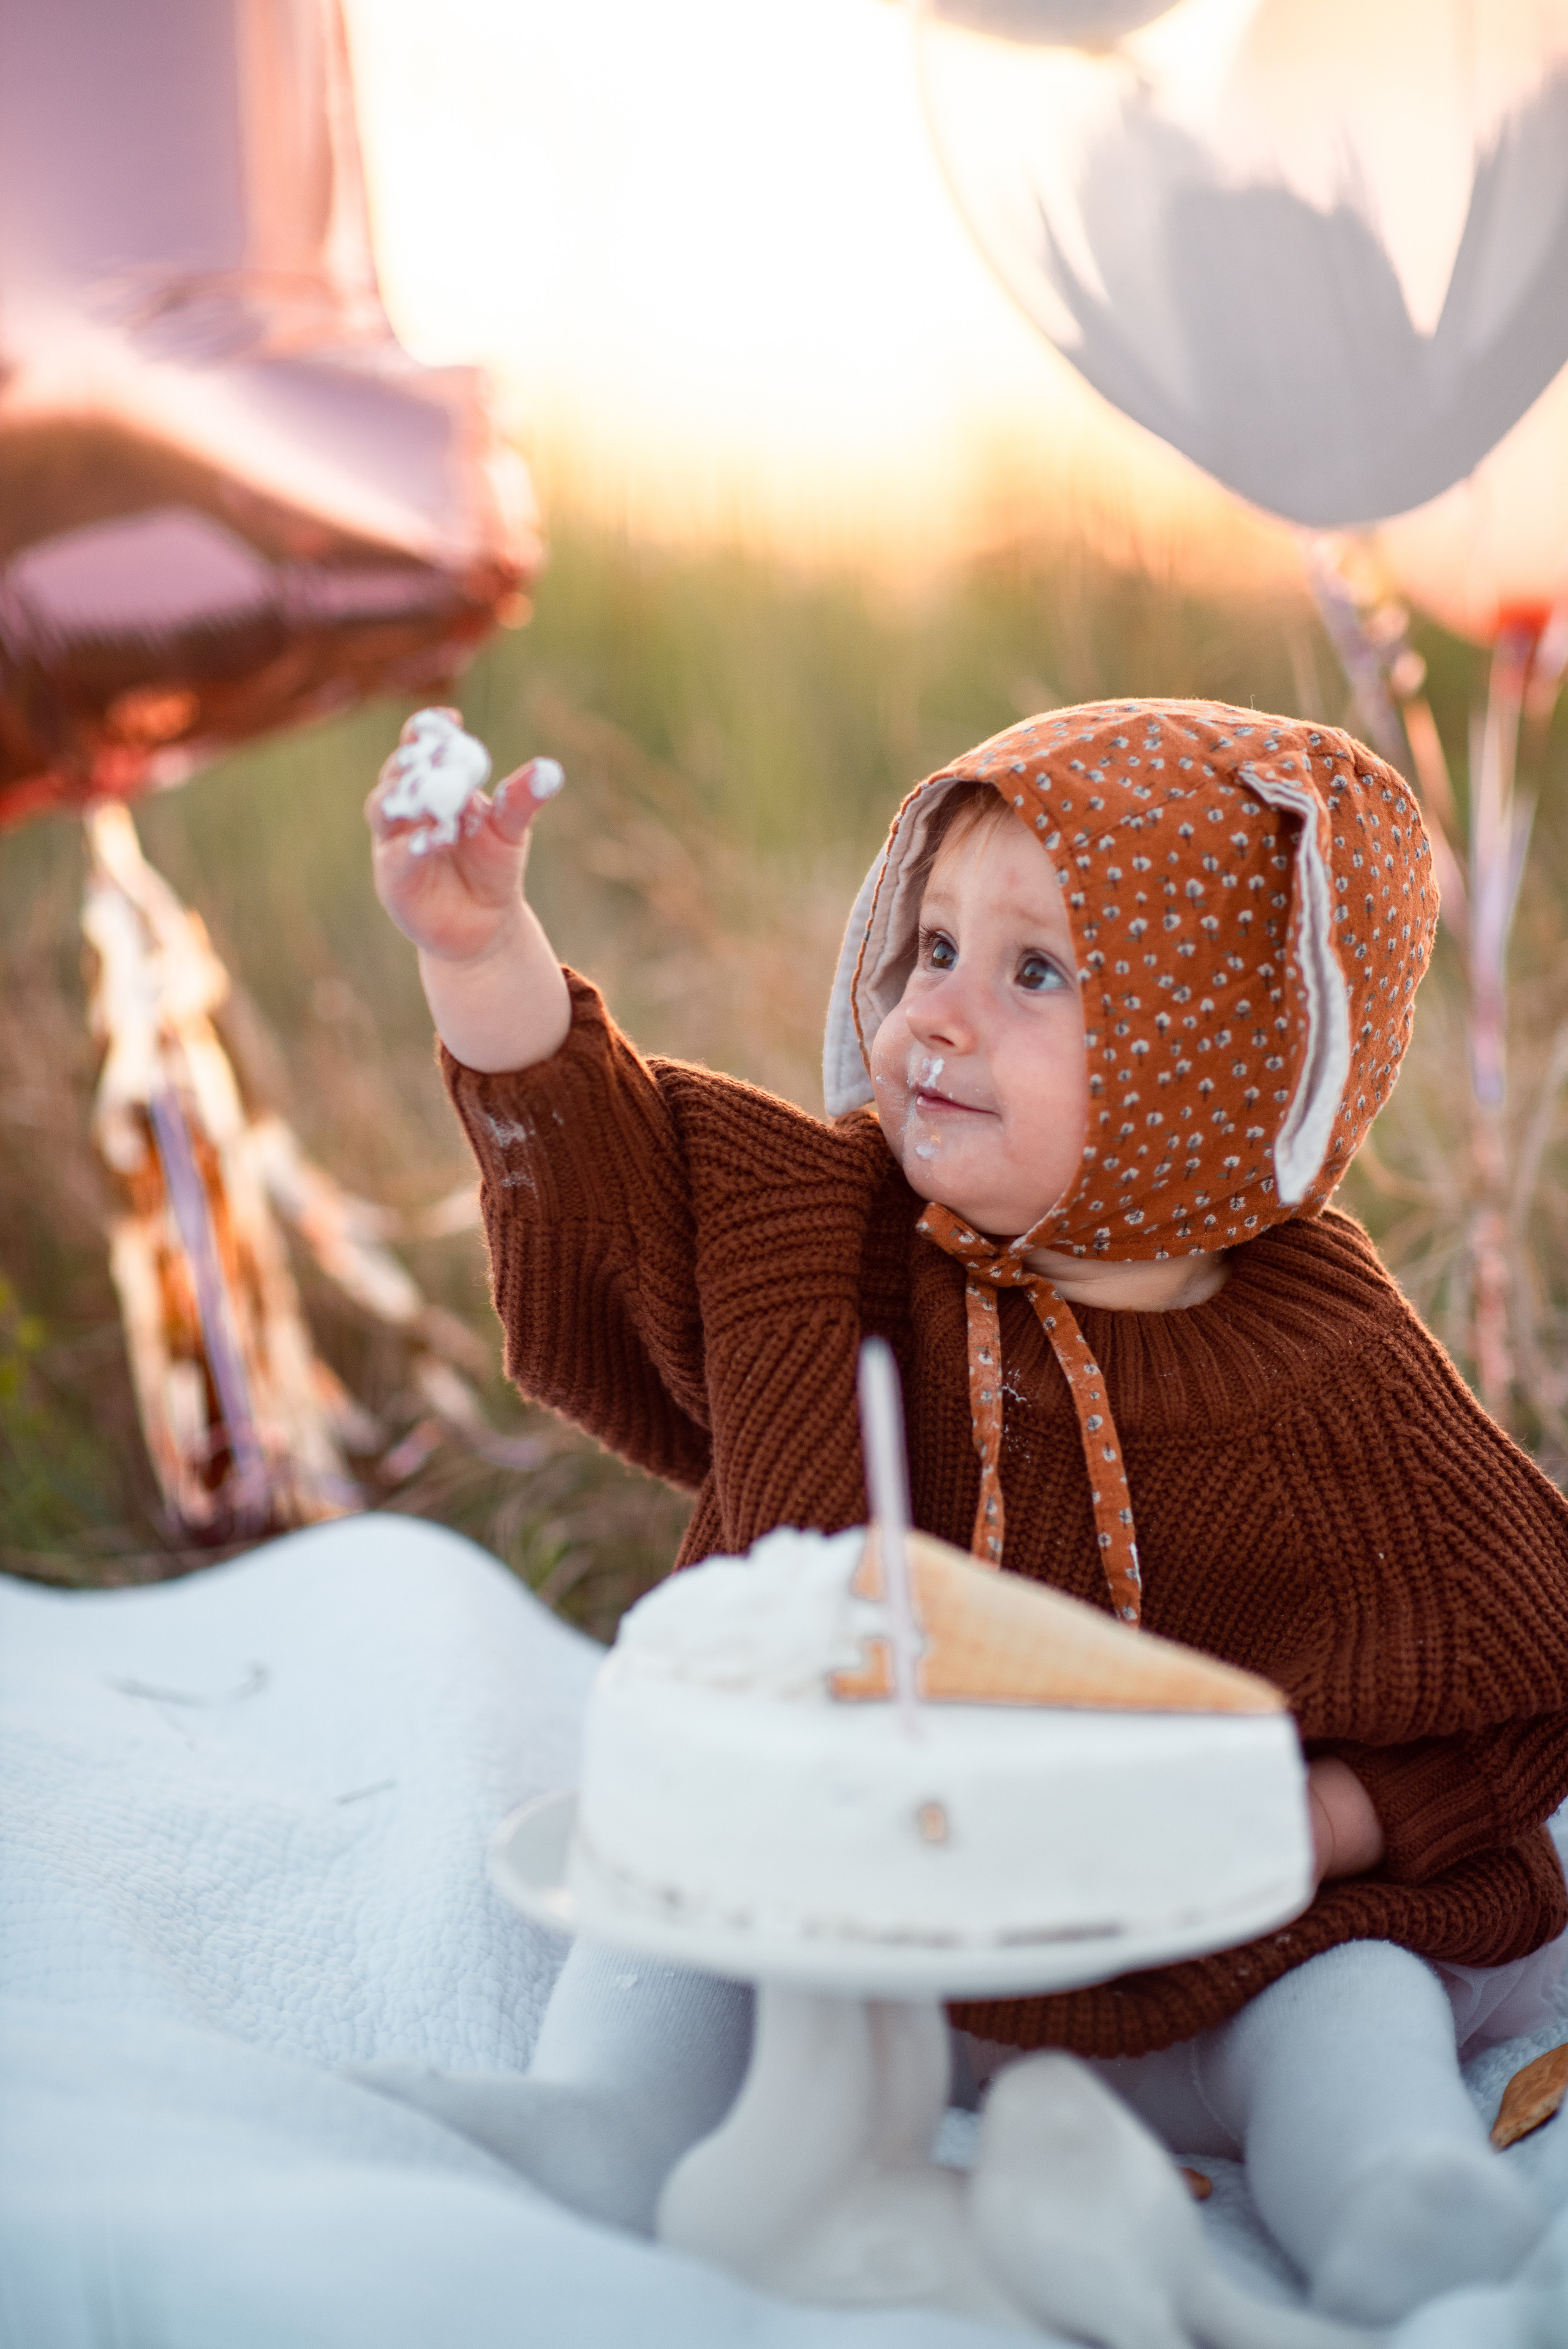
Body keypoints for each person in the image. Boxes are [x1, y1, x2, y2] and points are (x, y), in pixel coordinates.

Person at [357, 699, 1568, 2324]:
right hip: (868, 1951)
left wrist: (1323, 1825)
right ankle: (613, 2120)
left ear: (1212, 1055)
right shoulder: (835, 1230)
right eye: (931, 941)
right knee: (678, 1883)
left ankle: (1389, 2191)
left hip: (1213, 1963)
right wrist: (483, 954)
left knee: (1354, 2004)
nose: (937, 1011)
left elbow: (1522, 1669)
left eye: (1035, 971)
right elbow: (614, 1178)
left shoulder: (1329, 1362)